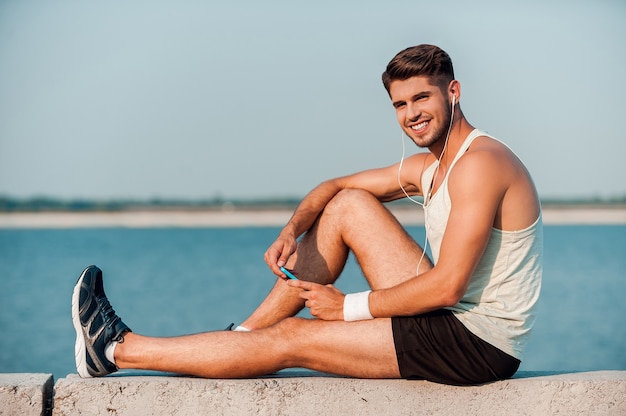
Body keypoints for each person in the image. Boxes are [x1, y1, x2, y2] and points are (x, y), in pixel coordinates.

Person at [72, 44, 542, 386]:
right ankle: (245, 337)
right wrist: (292, 231)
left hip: (478, 344)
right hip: (448, 316)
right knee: (349, 205)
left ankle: (116, 350)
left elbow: (448, 286)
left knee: (295, 337)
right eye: (400, 104)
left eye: (422, 98)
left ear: (453, 91)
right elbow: (334, 187)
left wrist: (346, 307)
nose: (410, 114)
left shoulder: (481, 164)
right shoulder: (430, 166)